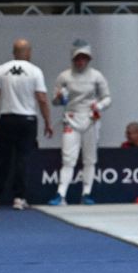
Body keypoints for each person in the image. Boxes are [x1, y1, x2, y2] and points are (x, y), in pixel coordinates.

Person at [0, 39, 51, 210]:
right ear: (28, 53)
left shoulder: (1, 69)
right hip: (27, 120)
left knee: (1, 158)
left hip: (7, 118)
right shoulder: (35, 71)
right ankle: (19, 198)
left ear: (13, 52)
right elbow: (42, 99)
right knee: (23, 159)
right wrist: (47, 122)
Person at [48, 40, 111, 206]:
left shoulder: (97, 76)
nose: (81, 61)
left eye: (84, 58)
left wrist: (99, 105)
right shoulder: (64, 76)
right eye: (78, 58)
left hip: (90, 119)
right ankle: (60, 194)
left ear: (89, 58)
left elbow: (107, 98)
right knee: (68, 159)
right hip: (71, 119)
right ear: (73, 58)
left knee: (90, 159)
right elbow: (55, 102)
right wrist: (60, 97)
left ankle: (87, 193)